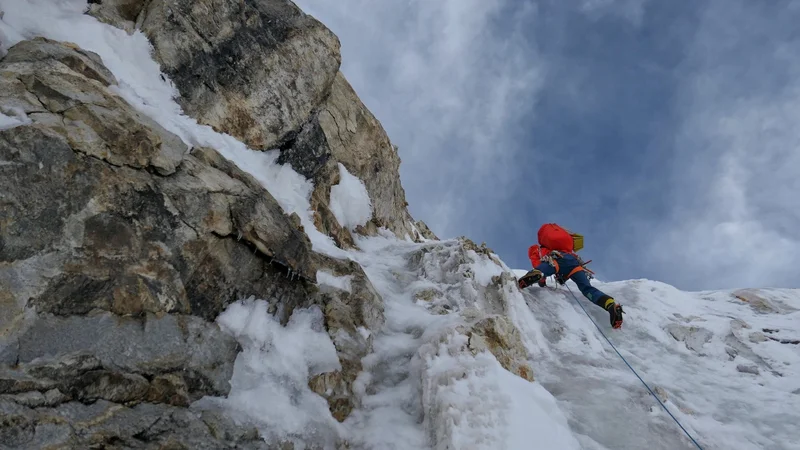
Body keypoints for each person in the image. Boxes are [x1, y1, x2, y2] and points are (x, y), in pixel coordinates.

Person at [518, 223, 624, 329]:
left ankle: (538, 273)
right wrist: (562, 278)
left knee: (546, 268)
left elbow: (538, 263)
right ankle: (610, 305)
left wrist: (542, 280)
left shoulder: (541, 249)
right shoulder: (567, 248)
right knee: (587, 289)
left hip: (558, 259)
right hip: (574, 263)